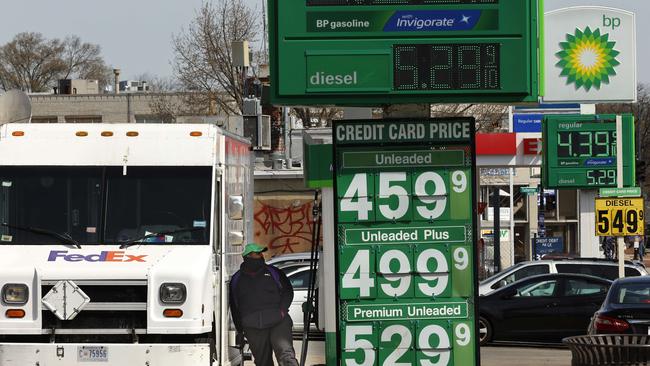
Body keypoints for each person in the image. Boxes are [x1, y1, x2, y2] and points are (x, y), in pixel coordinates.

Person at [229, 243, 298, 366]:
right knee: (262, 362)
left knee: (286, 356)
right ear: (247, 256)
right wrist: (240, 330)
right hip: (253, 326)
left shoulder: (274, 272)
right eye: (257, 253)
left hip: (278, 322)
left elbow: (288, 291)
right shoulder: (237, 279)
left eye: (261, 253)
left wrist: (282, 311)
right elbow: (234, 306)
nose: (261, 256)